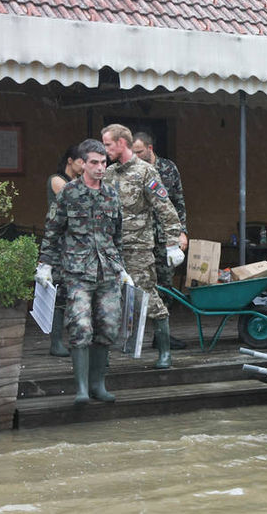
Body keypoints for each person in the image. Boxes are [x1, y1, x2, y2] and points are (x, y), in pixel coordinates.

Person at [36, 139, 133, 404]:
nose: (101, 167)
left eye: (104, 162)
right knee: (80, 326)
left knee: (108, 326)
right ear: (82, 164)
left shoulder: (112, 194)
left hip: (108, 271)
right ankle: (80, 389)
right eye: (94, 163)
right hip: (77, 271)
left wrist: (122, 267)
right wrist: (45, 264)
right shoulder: (68, 193)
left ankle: (98, 385)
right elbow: (53, 230)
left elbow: (118, 235)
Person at [102, 124, 185, 369]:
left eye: (108, 144)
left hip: (138, 248)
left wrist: (172, 242)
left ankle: (164, 350)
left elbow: (165, 208)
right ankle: (103, 353)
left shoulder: (146, 172)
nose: (105, 149)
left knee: (147, 297)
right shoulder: (108, 173)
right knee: (108, 298)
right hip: (112, 250)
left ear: (121, 143)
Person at [132, 132, 189, 350]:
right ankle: (133, 337)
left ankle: (161, 336)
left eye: (139, 151)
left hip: (166, 238)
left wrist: (181, 231)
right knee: (140, 286)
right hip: (141, 238)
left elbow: (178, 201)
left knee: (165, 286)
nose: (135, 156)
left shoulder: (168, 168)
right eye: (133, 152)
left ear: (150, 148)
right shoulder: (132, 171)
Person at [44, 144, 85, 357]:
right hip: (60, 244)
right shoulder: (57, 179)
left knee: (76, 292)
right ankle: (56, 341)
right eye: (81, 161)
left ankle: (75, 338)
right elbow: (76, 199)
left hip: (77, 246)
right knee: (59, 292)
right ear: (70, 160)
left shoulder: (80, 182)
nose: (84, 166)